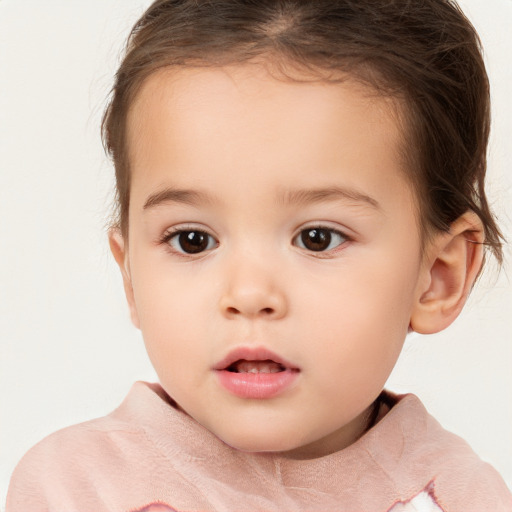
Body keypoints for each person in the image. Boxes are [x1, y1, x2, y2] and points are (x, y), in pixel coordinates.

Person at [6, 0, 512, 510]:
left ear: (437, 277)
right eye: (192, 240)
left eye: (317, 237)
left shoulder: (455, 496)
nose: (248, 294)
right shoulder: (77, 490)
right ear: (131, 275)